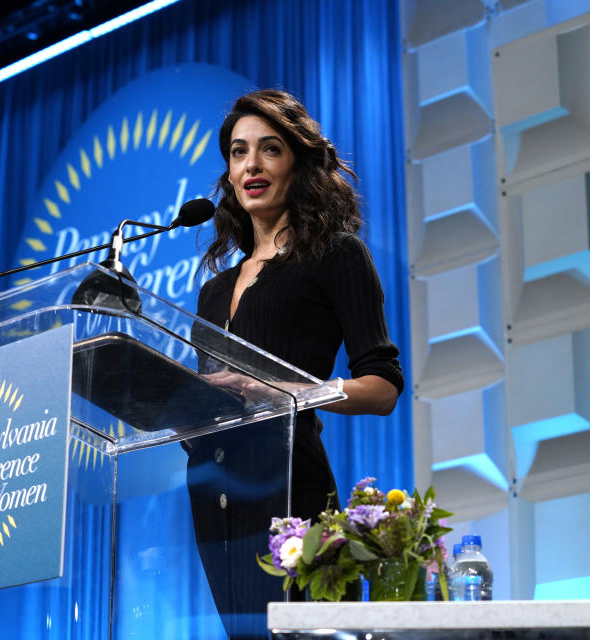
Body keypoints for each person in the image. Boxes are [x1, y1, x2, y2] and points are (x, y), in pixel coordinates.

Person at [186, 89, 404, 639]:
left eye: (270, 149)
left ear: (298, 163)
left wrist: (281, 394)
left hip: (292, 495)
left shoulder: (336, 254)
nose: (251, 165)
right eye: (238, 152)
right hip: (214, 498)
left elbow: (382, 387)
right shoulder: (212, 292)